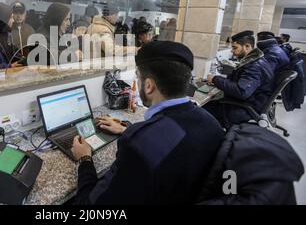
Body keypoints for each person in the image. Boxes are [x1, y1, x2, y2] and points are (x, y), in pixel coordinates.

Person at [71, 41, 225, 204]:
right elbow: (175, 138)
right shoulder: (212, 123)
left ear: (149, 86)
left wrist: (84, 160)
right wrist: (127, 129)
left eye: (138, 77)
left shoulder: (136, 144)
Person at [204, 30, 275, 128]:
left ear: (247, 46)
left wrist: (215, 79)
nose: (232, 51)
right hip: (248, 103)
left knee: (201, 109)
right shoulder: (256, 60)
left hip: (244, 108)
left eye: (235, 47)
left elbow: (241, 91)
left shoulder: (255, 66)